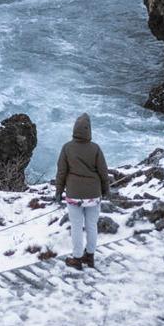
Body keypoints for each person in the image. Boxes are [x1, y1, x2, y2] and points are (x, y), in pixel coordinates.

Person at [54, 113, 110, 270]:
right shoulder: (95, 148)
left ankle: (77, 258)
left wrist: (58, 191)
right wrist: (106, 190)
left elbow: (61, 172)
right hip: (93, 195)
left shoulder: (67, 148)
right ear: (89, 131)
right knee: (92, 225)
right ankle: (90, 257)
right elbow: (103, 172)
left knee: (76, 227)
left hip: (74, 195)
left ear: (74, 130)